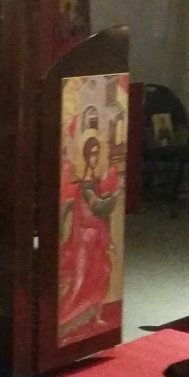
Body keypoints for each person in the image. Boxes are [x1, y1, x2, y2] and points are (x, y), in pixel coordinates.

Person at [58, 134, 121, 342]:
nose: (95, 157)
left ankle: (97, 317)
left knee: (102, 272)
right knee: (80, 281)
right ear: (85, 156)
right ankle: (63, 322)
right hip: (84, 240)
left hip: (96, 237)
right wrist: (115, 195)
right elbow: (98, 207)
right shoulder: (85, 183)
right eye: (92, 154)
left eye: (97, 153)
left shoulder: (92, 179)